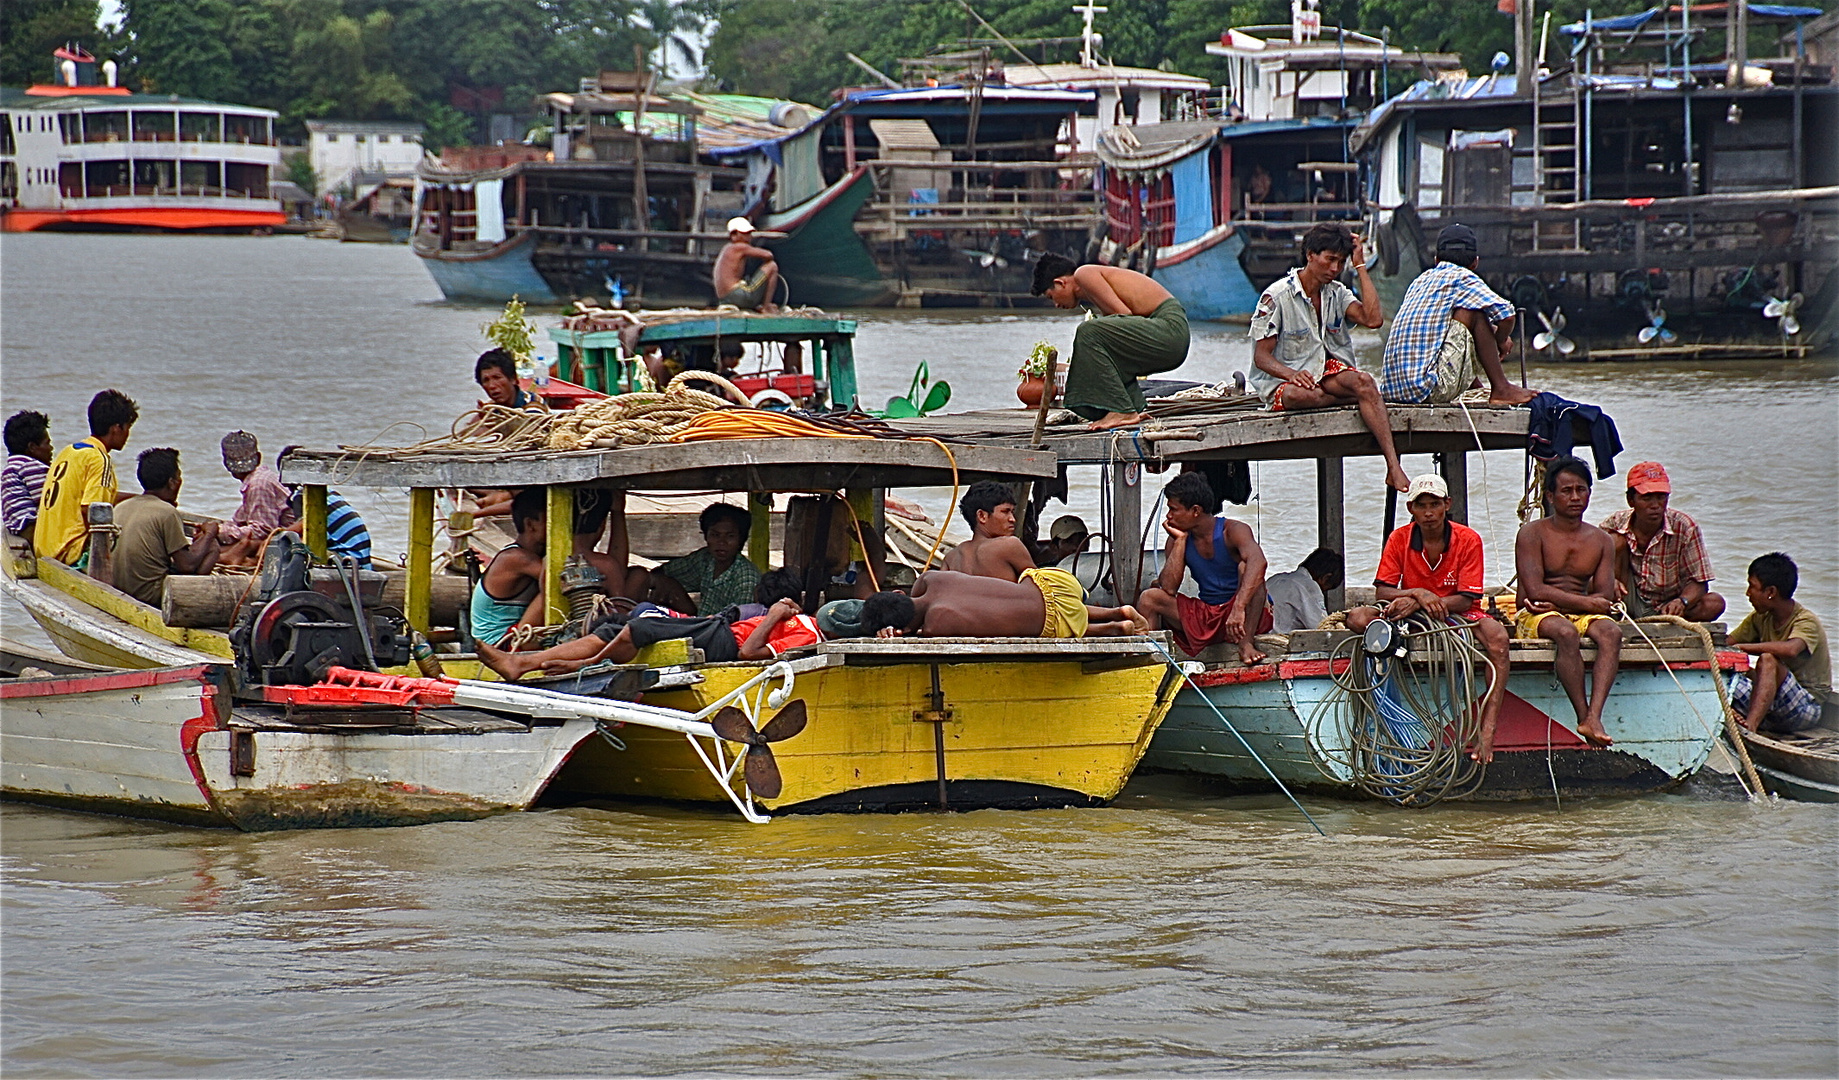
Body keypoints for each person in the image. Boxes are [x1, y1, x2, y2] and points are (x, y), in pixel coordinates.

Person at [1346, 474, 1514, 762]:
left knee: (1498, 639)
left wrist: (1421, 603)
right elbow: (1382, 590)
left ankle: (1487, 730)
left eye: (1434, 504)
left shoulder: (1468, 539)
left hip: (1457, 611)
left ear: (1446, 504)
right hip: (1410, 612)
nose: (1428, 513)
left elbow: (1466, 598)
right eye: (1421, 505)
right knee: (1358, 618)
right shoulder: (1400, 538)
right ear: (1411, 508)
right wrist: (1418, 595)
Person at [1248, 222, 1410, 493]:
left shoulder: (1337, 292)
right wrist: (1291, 374)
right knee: (1303, 396)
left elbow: (1373, 319)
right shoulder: (1276, 296)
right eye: (1329, 259)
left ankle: (1393, 466)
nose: (1335, 268)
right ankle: (1365, 401)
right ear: (1311, 255)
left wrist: (1360, 266)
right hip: (1287, 383)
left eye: (1341, 261)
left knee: (1366, 383)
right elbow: (1261, 358)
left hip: (1327, 373)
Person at [477, 568, 821, 679]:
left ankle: (585, 662)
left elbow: (748, 652)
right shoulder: (802, 620)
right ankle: (520, 662)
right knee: (611, 628)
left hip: (721, 641)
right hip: (714, 628)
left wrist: (775, 615)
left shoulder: (807, 633)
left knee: (637, 628)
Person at [1513, 455, 1622, 747]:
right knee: (1565, 633)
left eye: (1581, 489)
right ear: (1550, 496)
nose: (1575, 497)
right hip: (1536, 614)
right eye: (1566, 490)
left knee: (1611, 632)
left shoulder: (1602, 540)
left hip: (1569, 610)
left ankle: (1594, 717)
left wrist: (1567, 604)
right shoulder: (1532, 533)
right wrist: (1585, 605)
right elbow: (1535, 592)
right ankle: (1582, 713)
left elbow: (1604, 595)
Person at [1378, 223, 1537, 407]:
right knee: (1474, 313)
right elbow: (1507, 316)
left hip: (1392, 390)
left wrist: (1492, 332)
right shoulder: (1462, 277)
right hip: (1425, 390)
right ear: (1475, 262)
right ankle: (1501, 388)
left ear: (1437, 259)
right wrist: (1500, 339)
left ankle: (1473, 386)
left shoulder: (1420, 280)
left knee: (1461, 317)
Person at [1031, 254, 1190, 431]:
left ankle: (1122, 410)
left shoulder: (1083, 274)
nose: (1056, 305)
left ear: (1061, 283)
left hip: (1170, 330)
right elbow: (1121, 330)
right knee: (1099, 341)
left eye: (1051, 296)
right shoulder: (1091, 288)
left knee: (1088, 331)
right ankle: (1131, 406)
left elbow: (1124, 315)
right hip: (1166, 337)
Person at [1135, 472, 1272, 664]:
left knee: (1247, 568)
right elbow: (1168, 588)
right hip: (1209, 613)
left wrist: (1238, 608)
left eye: (1174, 509)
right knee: (1149, 598)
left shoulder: (1233, 530)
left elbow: (1259, 562)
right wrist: (1180, 541)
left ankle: (1246, 643)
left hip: (1243, 616)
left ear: (1195, 511)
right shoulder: (1176, 539)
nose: (1168, 516)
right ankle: (1152, 661)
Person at [1597, 461, 1724, 622]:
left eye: (1661, 497)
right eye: (1647, 498)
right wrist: (1609, 581)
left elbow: (1699, 581)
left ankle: (1667, 622)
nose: (1655, 505)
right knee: (1614, 541)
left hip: (1667, 605)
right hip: (1626, 599)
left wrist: (1682, 601)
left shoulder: (1685, 527)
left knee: (1714, 603)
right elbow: (1587, 566)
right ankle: (1618, 614)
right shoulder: (1614, 523)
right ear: (1631, 500)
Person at [860, 568, 1143, 639]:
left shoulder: (937, 624)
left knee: (1050, 621)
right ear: (899, 593)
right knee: (1052, 606)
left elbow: (920, 636)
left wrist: (897, 635)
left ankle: (1116, 627)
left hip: (1049, 620)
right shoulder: (930, 579)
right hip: (1049, 582)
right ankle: (1116, 610)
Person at [1727, 552, 1829, 734]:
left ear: (1771, 592)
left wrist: (1742, 648)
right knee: (1722, 676)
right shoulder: (1760, 617)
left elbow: (1791, 649)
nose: (1748, 593)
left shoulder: (1806, 621)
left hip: (1804, 708)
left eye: (1752, 587)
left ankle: (1750, 726)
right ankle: (1739, 716)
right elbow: (1726, 643)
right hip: (1771, 705)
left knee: (1768, 660)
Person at [37, 389, 138, 564]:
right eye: (128, 427)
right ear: (116, 428)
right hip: (68, 552)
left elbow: (91, 496)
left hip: (44, 547)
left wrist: (141, 500)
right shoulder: (100, 460)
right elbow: (92, 510)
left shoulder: (69, 452)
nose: (128, 434)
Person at [112, 448, 222, 607]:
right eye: (178, 477)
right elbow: (187, 565)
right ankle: (189, 604)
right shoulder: (166, 512)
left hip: (120, 588)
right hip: (150, 595)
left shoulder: (121, 507)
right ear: (171, 483)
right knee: (212, 547)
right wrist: (210, 533)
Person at [647, 502, 762, 616]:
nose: (721, 542)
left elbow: (741, 622)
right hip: (700, 623)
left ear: (740, 540)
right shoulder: (705, 559)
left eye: (730, 536)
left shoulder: (747, 577)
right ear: (706, 536)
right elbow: (664, 572)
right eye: (715, 535)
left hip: (724, 630)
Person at [469, 487, 548, 647]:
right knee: (551, 584)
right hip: (499, 643)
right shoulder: (516, 559)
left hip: (511, 633)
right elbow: (561, 579)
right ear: (530, 525)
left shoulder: (534, 554)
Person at [215, 431, 297, 548]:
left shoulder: (258, 484)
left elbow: (263, 531)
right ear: (258, 457)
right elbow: (240, 518)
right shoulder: (262, 477)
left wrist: (219, 532)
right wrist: (222, 529)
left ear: (225, 463)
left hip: (291, 540)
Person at [942, 481, 1034, 580]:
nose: (1012, 519)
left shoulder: (951, 557)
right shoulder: (1009, 545)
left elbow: (940, 590)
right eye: (1005, 512)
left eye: (1012, 512)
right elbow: (1041, 585)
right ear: (982, 516)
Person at [1265, 547, 1343, 634]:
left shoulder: (1275, 579)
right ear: (1325, 578)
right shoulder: (1308, 587)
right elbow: (1321, 628)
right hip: (1280, 640)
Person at [2, 410, 53, 544]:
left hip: (18, 528)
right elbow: (49, 502)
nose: (51, 448)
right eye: (47, 443)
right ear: (32, 447)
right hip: (31, 529)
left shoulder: (13, 466)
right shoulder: (30, 467)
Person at [713, 217, 780, 313]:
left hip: (724, 298)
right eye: (745, 234)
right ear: (734, 235)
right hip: (736, 295)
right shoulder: (739, 247)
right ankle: (766, 306)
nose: (749, 237)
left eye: (749, 233)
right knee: (772, 266)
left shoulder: (726, 249)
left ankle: (761, 305)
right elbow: (769, 255)